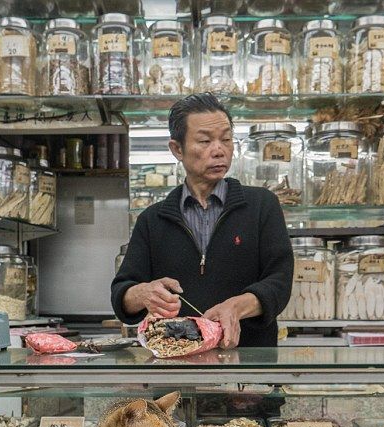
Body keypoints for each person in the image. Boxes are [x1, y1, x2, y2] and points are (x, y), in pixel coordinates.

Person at [111, 93, 293, 348]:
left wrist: (237, 307)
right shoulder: (152, 220)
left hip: (249, 363)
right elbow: (122, 294)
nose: (219, 150)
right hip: (174, 363)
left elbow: (280, 282)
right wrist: (143, 294)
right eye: (205, 141)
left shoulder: (262, 205)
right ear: (177, 149)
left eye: (226, 140)